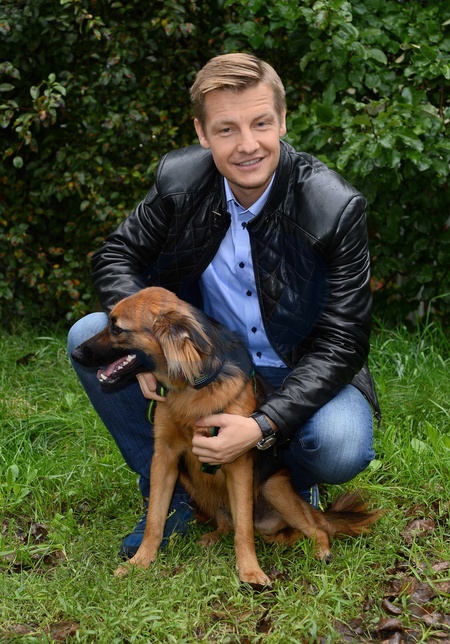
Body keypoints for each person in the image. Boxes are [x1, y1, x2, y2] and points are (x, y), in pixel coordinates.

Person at [68, 52, 380, 558]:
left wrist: (261, 425)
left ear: (283, 120)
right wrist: (147, 351)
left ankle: (285, 482)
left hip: (298, 367)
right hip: (204, 360)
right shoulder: (179, 181)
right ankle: (175, 497)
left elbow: (344, 339)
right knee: (86, 334)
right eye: (226, 129)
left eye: (261, 123)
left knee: (340, 441)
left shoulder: (334, 206)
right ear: (202, 132)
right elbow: (115, 254)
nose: (247, 145)